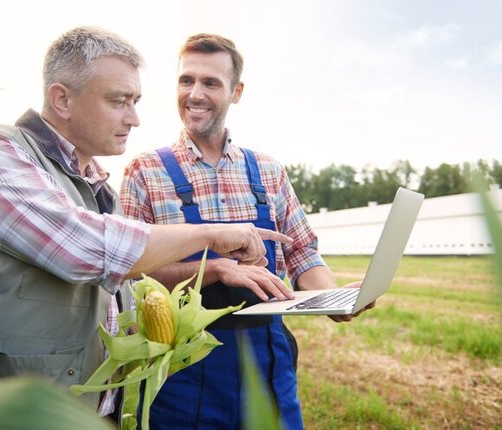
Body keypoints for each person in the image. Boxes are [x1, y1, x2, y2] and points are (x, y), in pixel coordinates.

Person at [0, 27, 291, 423]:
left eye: (135, 101)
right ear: (62, 99)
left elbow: (124, 295)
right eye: (119, 101)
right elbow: (84, 248)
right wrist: (213, 234)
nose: (135, 118)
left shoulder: (98, 190)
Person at [121, 33, 374, 429]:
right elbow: (131, 270)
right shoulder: (146, 171)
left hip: (267, 358)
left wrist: (335, 299)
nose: (195, 93)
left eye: (211, 83)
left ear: (236, 92)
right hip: (184, 365)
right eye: (186, 81)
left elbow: (304, 255)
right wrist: (215, 269)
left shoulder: (268, 172)